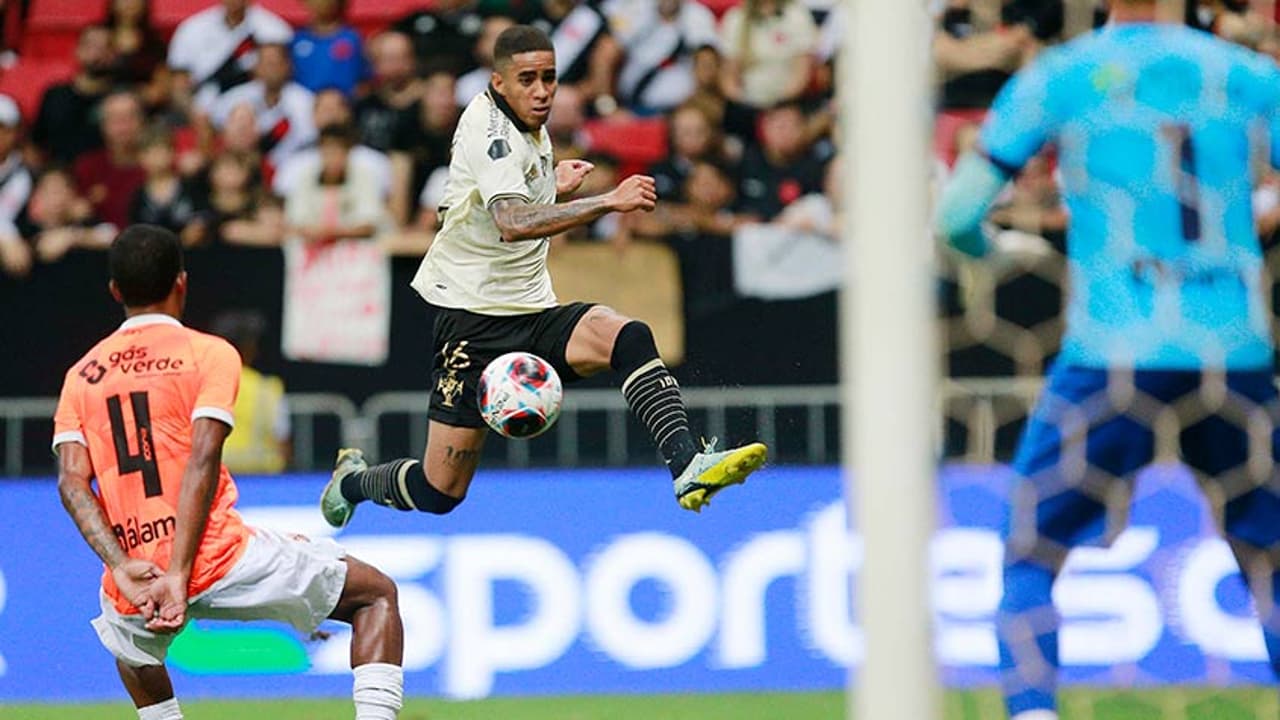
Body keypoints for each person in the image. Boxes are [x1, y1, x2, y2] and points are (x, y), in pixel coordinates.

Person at [935, 2, 1280, 718]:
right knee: (1269, 558)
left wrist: (989, 255)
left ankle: (1033, 712)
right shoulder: (1246, 74)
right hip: (1232, 349)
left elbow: (956, 215)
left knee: (1032, 554)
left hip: (1113, 350)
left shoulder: (1062, 75)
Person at [320, 25, 767, 528]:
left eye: (549, 78)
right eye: (527, 79)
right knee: (439, 490)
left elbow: (507, 201)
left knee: (628, 337)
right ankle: (353, 481)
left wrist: (551, 187)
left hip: (531, 310)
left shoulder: (528, 122)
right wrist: (607, 201)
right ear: (498, 82)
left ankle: (687, 466)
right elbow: (512, 223)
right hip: (474, 324)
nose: (541, 91)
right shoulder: (493, 134)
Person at [53, 225, 403, 720]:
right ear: (181, 283)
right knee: (375, 595)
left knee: (127, 644)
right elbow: (203, 456)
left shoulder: (80, 376)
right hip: (216, 555)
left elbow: (71, 482)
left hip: (135, 576)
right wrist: (178, 572)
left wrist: (120, 565)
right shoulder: (209, 353)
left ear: (114, 291)